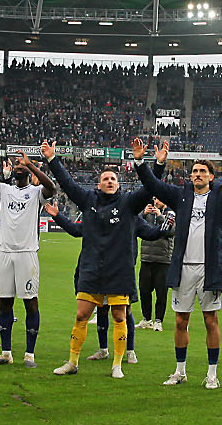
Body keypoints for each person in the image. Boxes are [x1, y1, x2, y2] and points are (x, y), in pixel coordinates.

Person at [135, 139, 222, 389]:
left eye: (202, 171)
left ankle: (212, 373)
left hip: (209, 268)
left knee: (210, 320)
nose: (197, 174)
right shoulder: (180, 195)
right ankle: (180, 370)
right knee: (181, 321)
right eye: (194, 171)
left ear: (211, 177)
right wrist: (145, 161)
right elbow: (151, 184)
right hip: (183, 268)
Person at [43, 141, 152, 378]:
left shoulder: (128, 203)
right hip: (92, 268)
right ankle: (72, 362)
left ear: (119, 183)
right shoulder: (88, 200)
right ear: (98, 184)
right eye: (105, 179)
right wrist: (53, 159)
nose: (110, 181)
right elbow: (68, 185)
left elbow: (149, 189)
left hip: (119, 270)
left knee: (119, 316)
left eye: (113, 178)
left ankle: (117, 364)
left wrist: (153, 164)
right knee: (81, 315)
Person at [47, 198, 165, 373]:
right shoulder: (96, 216)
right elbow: (76, 229)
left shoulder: (130, 216)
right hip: (96, 271)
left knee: (124, 312)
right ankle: (102, 350)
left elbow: (151, 233)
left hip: (120, 271)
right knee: (99, 309)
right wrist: (58, 216)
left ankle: (129, 352)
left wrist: (165, 224)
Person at [0, 143, 56, 367]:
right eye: (16, 165)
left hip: (27, 253)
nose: (18, 167)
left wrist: (31, 164)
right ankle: (6, 353)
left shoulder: (36, 193)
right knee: (4, 303)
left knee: (30, 303)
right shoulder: (4, 190)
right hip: (3, 253)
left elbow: (52, 189)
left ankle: (30, 354)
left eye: (22, 165)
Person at [136, 199, 174, 331]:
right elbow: (134, 226)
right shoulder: (146, 213)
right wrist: (143, 215)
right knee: (144, 291)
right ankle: (146, 319)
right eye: (155, 199)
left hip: (163, 259)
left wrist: (160, 216)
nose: (156, 202)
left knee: (161, 292)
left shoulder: (171, 213)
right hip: (146, 258)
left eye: (159, 199)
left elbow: (172, 231)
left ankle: (158, 320)